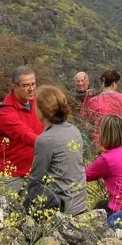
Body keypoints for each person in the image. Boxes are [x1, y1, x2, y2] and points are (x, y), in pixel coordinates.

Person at [23, 85, 87, 216]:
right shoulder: (74, 130)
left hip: (62, 204)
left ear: (41, 110)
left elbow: (36, 178)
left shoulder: (45, 140)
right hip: (80, 202)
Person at [0, 66, 45, 192]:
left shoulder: (37, 102)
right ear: (15, 86)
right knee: (9, 209)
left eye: (33, 84)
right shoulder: (6, 112)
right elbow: (25, 134)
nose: (31, 89)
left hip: (34, 171)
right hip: (11, 176)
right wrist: (52, 146)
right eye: (26, 85)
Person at [80, 69, 122, 147]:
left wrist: (87, 98)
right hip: (118, 138)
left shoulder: (94, 100)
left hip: (100, 140)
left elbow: (83, 116)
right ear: (113, 84)